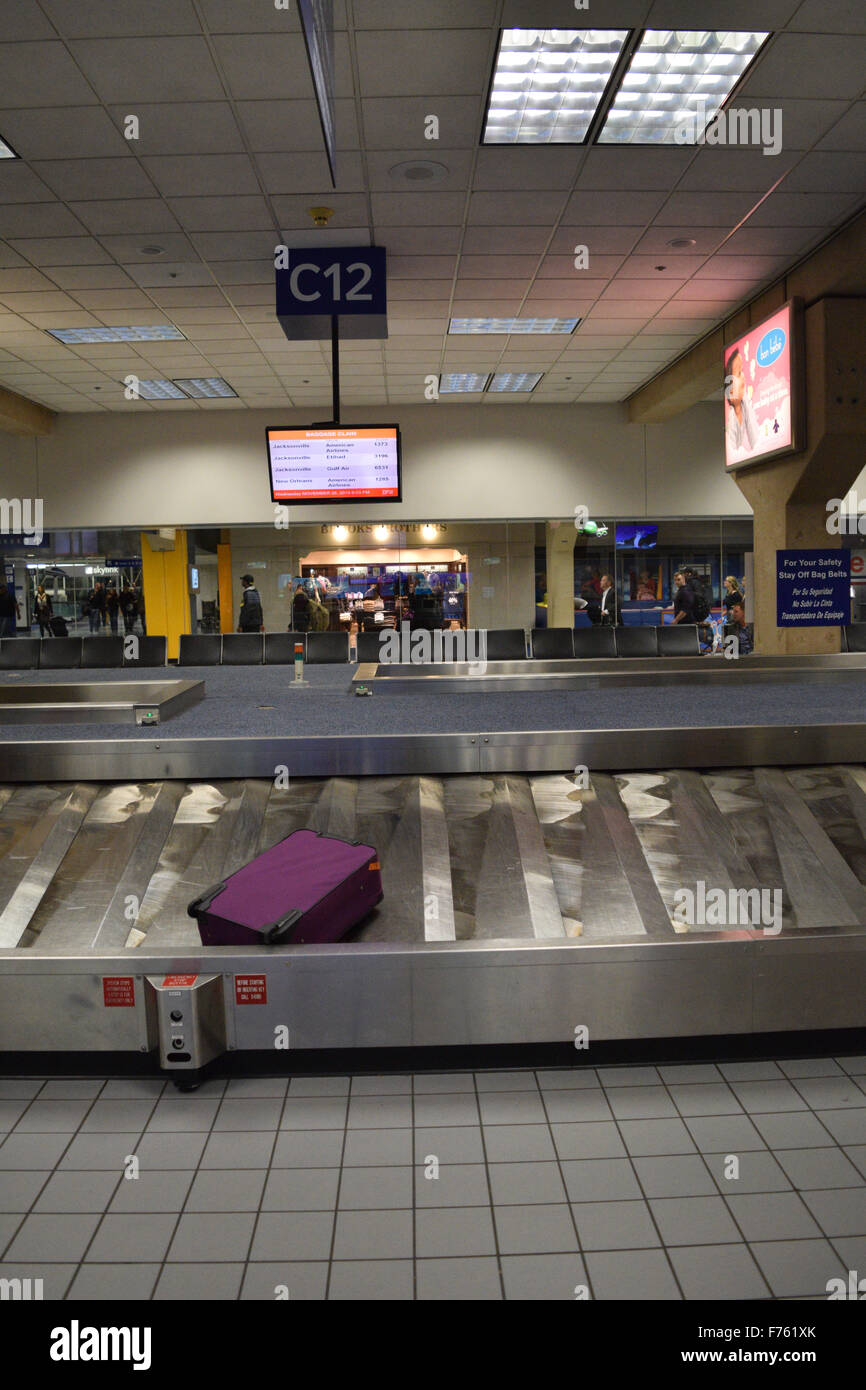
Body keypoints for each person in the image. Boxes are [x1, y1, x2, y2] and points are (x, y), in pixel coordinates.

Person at [725, 349, 758, 458]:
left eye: (742, 371)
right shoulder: (731, 417)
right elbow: (732, 453)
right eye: (739, 373)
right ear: (730, 390)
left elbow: (755, 438)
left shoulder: (745, 404)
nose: (743, 376)